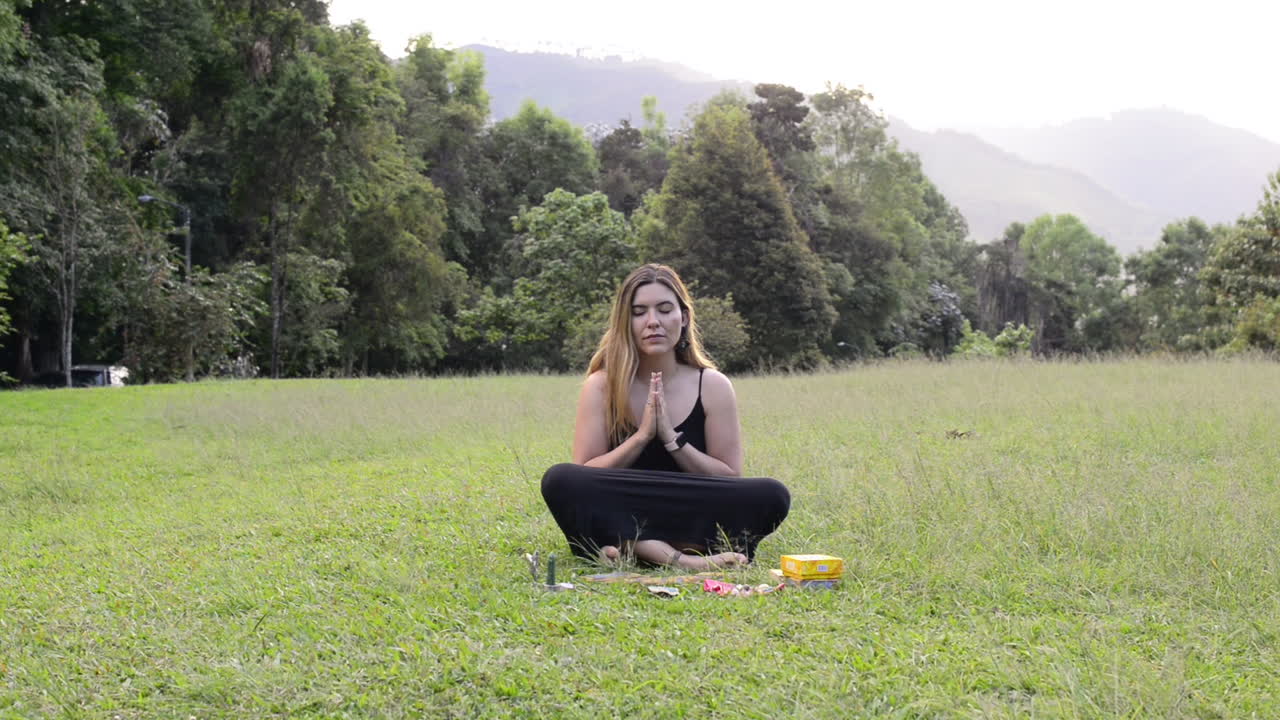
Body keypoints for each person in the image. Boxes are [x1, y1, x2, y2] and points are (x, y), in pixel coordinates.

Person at [540, 264, 790, 570]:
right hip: (623, 498)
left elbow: (728, 478)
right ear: (625, 321)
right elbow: (587, 472)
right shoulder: (602, 386)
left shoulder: (712, 385)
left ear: (683, 317)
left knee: (771, 494)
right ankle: (683, 557)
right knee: (561, 479)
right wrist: (643, 435)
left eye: (664, 309)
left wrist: (672, 439)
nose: (653, 322)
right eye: (639, 312)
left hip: (687, 502)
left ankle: (630, 545)